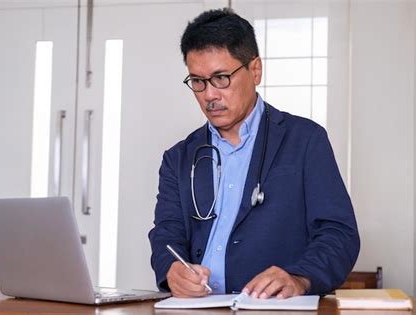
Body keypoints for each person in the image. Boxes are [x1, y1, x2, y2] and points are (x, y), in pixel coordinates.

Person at [148, 8, 359, 299]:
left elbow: (339, 234)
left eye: (221, 78)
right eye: (197, 81)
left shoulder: (305, 140)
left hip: (271, 307)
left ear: (255, 70)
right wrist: (171, 269)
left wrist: (301, 277)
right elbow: (166, 236)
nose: (209, 95)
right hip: (199, 307)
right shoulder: (178, 158)